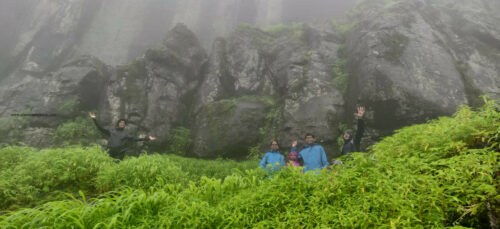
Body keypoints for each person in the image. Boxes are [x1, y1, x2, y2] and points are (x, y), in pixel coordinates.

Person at [89, 112, 156, 160]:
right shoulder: (112, 130)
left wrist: (147, 138)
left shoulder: (126, 133)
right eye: (121, 122)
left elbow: (135, 139)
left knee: (116, 168)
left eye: (123, 123)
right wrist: (94, 119)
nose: (122, 124)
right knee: (106, 165)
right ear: (118, 123)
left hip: (119, 154)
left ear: (124, 125)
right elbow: (101, 128)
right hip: (110, 151)